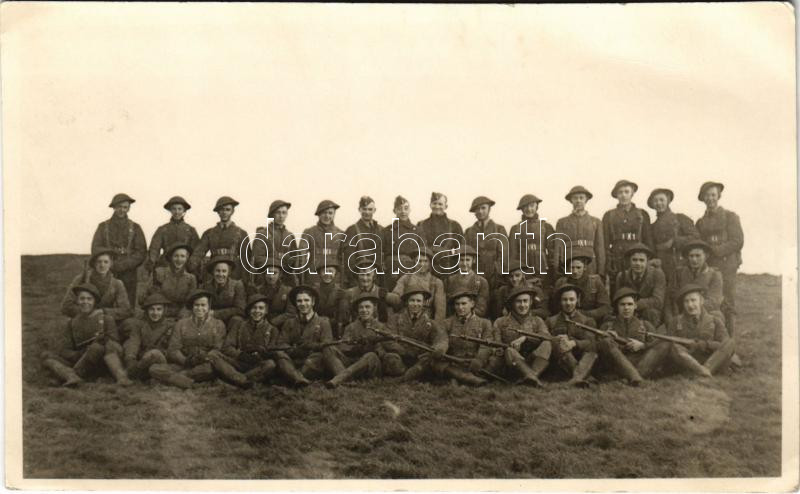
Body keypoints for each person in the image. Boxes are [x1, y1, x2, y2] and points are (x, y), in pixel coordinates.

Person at [150, 289, 250, 389]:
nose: (199, 308)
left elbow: (217, 349)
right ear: (192, 307)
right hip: (184, 364)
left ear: (209, 307)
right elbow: (173, 349)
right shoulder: (181, 324)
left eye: (203, 305)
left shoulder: (218, 325)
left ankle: (180, 379)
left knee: (211, 367)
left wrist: (203, 357)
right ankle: (188, 382)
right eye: (196, 305)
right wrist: (186, 361)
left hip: (206, 364)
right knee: (154, 368)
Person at [42, 283, 133, 387]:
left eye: (89, 299)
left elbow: (115, 345)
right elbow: (65, 350)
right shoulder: (72, 323)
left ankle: (65, 377)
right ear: (77, 301)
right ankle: (71, 376)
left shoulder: (106, 319)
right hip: (82, 361)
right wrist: (79, 353)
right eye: (82, 299)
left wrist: (104, 340)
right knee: (47, 357)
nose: (85, 302)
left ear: (94, 302)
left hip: (102, 362)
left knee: (97, 348)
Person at [695, 181, 744, 335]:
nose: (710, 198)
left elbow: (737, 241)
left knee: (728, 302)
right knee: (710, 301)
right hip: (709, 267)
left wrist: (716, 251)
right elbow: (699, 244)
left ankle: (730, 340)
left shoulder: (730, 217)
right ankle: (715, 337)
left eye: (713, 195)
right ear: (703, 199)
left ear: (718, 196)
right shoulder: (701, 222)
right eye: (706, 196)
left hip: (727, 266)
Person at [595, 288, 667, 385]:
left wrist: (642, 346)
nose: (626, 308)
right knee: (606, 342)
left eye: (630, 304)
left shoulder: (645, 325)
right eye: (622, 304)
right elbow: (596, 349)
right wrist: (610, 341)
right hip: (615, 367)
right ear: (617, 307)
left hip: (640, 365)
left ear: (635, 306)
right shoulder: (607, 326)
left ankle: (630, 377)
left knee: (665, 344)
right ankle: (634, 377)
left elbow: (655, 346)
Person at [272, 285, 341, 386]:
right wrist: (294, 350)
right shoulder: (289, 323)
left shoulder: (323, 322)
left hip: (312, 360)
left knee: (317, 358)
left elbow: (326, 345)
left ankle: (291, 376)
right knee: (279, 355)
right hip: (293, 359)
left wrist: (310, 346)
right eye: (299, 301)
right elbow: (281, 344)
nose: (303, 304)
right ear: (295, 303)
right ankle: (298, 378)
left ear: (313, 302)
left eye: (306, 300)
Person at [381, 279, 449, 382]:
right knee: (390, 358)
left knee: (429, 360)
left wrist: (439, 349)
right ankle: (410, 375)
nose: (415, 304)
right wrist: (404, 351)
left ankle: (404, 378)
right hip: (401, 357)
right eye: (412, 300)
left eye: (418, 301)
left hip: (420, 359)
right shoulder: (395, 319)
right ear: (407, 302)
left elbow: (441, 338)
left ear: (423, 303)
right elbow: (387, 339)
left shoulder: (430, 323)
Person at [661, 284, 736, 377]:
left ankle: (706, 370)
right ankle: (702, 371)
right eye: (686, 301)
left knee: (730, 343)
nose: (690, 305)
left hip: (710, 358)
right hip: (687, 360)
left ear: (701, 301)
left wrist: (705, 345)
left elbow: (724, 344)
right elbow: (670, 347)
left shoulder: (715, 320)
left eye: (693, 300)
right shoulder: (675, 321)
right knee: (674, 347)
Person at [91, 193, 147, 308]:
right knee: (104, 301)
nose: (122, 210)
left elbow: (141, 252)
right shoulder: (103, 226)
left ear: (129, 208)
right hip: (106, 270)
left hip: (129, 272)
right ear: (114, 207)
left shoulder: (136, 227)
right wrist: (110, 263)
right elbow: (95, 248)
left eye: (125, 207)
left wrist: (124, 265)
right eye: (119, 207)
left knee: (127, 304)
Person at [491, 285, 553, 386]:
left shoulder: (537, 320)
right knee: (510, 351)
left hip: (534, 361)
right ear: (512, 304)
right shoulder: (500, 322)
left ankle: (531, 376)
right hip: (513, 364)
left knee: (547, 344)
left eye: (525, 301)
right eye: (518, 301)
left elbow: (547, 336)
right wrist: (501, 348)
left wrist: (525, 338)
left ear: (531, 302)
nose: (523, 305)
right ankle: (533, 377)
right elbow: (496, 344)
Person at [325, 294, 387, 388]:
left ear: (373, 309)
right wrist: (355, 347)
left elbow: (383, 352)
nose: (364, 310)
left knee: (371, 356)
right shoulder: (351, 327)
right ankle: (348, 380)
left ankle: (340, 378)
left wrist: (372, 346)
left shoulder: (381, 327)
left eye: (367, 307)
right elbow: (343, 347)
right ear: (357, 310)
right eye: (361, 307)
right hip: (353, 362)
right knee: (328, 348)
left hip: (370, 366)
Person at [602, 180, 652, 294]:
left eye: (626, 191)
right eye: (620, 192)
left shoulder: (642, 214)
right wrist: (608, 261)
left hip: (637, 256)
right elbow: (605, 241)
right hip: (617, 257)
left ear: (632, 193)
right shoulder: (609, 215)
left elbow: (648, 240)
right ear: (616, 195)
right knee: (617, 287)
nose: (623, 195)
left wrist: (649, 260)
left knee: (639, 286)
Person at [220, 294, 281, 386]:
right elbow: (227, 347)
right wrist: (241, 355)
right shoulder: (239, 325)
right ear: (249, 310)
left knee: (270, 364)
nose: (257, 311)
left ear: (266, 311)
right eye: (254, 308)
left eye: (261, 308)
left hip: (257, 365)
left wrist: (260, 353)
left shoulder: (273, 330)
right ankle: (242, 379)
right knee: (214, 354)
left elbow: (272, 352)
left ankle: (237, 379)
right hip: (238, 362)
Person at [546, 284, 598, 387]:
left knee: (592, 352)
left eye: (572, 299)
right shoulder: (551, 321)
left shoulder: (587, 320)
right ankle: (582, 377)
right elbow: (546, 341)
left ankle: (577, 378)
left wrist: (574, 343)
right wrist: (557, 339)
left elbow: (591, 343)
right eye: (565, 300)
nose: (568, 303)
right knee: (560, 344)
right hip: (561, 362)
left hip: (582, 359)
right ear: (560, 301)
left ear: (577, 300)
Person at [440, 290, 496, 386]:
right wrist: (441, 348)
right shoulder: (447, 323)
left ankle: (460, 378)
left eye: (464, 303)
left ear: (472, 304)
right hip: (454, 361)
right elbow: (443, 340)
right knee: (436, 362)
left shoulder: (484, 323)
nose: (460, 307)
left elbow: (486, 345)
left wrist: (480, 359)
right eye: (457, 304)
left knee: (494, 361)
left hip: (474, 362)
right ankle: (465, 378)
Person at [61, 248, 132, 324]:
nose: (102, 265)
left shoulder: (117, 284)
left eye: (106, 262)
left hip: (107, 322)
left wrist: (102, 312)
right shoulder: (81, 279)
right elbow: (66, 306)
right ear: (94, 263)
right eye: (99, 262)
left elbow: (126, 310)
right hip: (83, 321)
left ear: (111, 264)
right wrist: (87, 312)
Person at [646, 188, 698, 289]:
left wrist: (675, 241)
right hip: (661, 267)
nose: (659, 203)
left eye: (661, 200)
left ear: (668, 200)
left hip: (681, 264)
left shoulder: (680, 218)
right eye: (655, 201)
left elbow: (695, 237)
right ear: (652, 204)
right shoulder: (652, 227)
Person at [191, 196, 249, 281]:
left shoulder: (241, 233)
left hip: (234, 274)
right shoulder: (209, 233)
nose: (224, 212)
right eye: (221, 210)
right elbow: (197, 254)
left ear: (232, 211)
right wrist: (191, 271)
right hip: (213, 273)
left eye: (227, 209)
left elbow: (246, 259)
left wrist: (245, 280)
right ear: (218, 212)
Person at [508, 194, 556, 291]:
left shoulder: (546, 227)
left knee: (543, 290)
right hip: (523, 265)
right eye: (525, 206)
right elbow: (513, 253)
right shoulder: (515, 228)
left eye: (532, 206)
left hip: (542, 264)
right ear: (521, 209)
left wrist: (553, 270)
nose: (529, 209)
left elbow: (552, 251)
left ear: (536, 207)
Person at [122, 293, 174, 382]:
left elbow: (171, 349)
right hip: (143, 359)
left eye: (159, 309)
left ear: (164, 310)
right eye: (152, 309)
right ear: (146, 311)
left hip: (161, 360)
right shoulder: (140, 325)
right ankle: (138, 372)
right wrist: (130, 358)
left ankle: (136, 372)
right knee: (127, 346)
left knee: (155, 354)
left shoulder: (170, 326)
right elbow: (134, 341)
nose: (155, 313)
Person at [555, 186, 605, 276]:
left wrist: (601, 271)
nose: (578, 200)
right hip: (569, 261)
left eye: (581, 198)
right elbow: (558, 247)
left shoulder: (595, 222)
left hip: (590, 261)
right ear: (571, 200)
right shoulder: (562, 222)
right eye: (575, 198)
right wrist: (557, 268)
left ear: (586, 200)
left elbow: (599, 248)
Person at [386, 247, 446, 322]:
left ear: (430, 263)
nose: (422, 264)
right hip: (406, 318)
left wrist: (436, 327)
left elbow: (440, 310)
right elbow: (397, 298)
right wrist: (385, 294)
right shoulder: (406, 278)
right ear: (414, 262)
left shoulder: (436, 282)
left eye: (425, 261)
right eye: (419, 261)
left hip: (426, 320)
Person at [141, 242, 197, 320]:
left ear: (187, 258)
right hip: (159, 314)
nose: (179, 259)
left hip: (180, 316)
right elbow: (148, 297)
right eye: (176, 256)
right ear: (171, 257)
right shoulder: (159, 273)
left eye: (182, 256)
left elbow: (190, 302)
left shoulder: (191, 278)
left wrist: (182, 315)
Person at [672, 240, 724, 322]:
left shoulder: (714, 275)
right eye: (691, 256)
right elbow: (672, 295)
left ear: (706, 256)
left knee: (717, 316)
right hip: (682, 312)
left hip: (704, 313)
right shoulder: (679, 273)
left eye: (698, 256)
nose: (694, 259)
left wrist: (693, 309)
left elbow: (714, 301)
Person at [614, 243, 666, 326]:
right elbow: (617, 300)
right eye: (634, 260)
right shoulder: (622, 276)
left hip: (649, 314)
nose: (638, 263)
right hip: (628, 312)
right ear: (629, 261)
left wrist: (634, 305)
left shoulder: (657, 274)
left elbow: (658, 301)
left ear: (647, 261)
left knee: (650, 313)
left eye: (642, 260)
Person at [145, 196, 200, 273]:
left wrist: (192, 265)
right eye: (174, 209)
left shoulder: (191, 230)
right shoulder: (162, 229)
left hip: (185, 265)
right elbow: (154, 248)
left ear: (184, 210)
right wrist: (152, 262)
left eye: (179, 209)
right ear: (170, 210)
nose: (177, 212)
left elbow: (196, 250)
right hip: (166, 265)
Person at [553, 251, 610, 325]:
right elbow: (554, 307)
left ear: (585, 267)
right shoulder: (561, 283)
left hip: (590, 322)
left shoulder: (595, 282)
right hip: (566, 321)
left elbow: (605, 308)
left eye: (578, 267)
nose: (575, 271)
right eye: (572, 268)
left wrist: (582, 314)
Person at [464, 196, 509, 289]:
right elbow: (465, 254)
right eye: (477, 209)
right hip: (475, 274)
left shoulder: (499, 229)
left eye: (483, 208)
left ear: (489, 209)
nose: (480, 211)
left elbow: (504, 255)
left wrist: (499, 272)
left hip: (495, 275)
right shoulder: (469, 231)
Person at [251, 200, 300, 286]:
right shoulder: (262, 234)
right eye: (278, 213)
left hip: (286, 278)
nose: (281, 216)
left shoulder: (290, 236)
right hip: (266, 277)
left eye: (284, 213)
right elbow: (258, 258)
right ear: (272, 214)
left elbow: (294, 258)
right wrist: (278, 262)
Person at [417, 192, 464, 278]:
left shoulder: (455, 225)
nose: (437, 206)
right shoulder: (421, 224)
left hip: (448, 267)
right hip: (426, 267)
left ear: (446, 206)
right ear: (430, 205)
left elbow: (462, 250)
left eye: (440, 204)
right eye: (434, 203)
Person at [382, 196, 422, 291]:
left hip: (410, 270)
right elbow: (379, 252)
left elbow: (423, 253)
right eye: (399, 209)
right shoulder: (386, 231)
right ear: (394, 210)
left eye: (406, 208)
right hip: (391, 271)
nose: (403, 212)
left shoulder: (417, 231)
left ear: (410, 210)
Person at [342, 196, 384, 288]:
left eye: (370, 209)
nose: (367, 212)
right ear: (359, 209)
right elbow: (349, 260)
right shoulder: (352, 230)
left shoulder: (380, 229)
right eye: (364, 209)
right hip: (360, 278)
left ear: (374, 210)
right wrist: (353, 281)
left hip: (377, 279)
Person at [302, 199, 345, 286]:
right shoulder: (309, 232)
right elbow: (302, 258)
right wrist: (302, 278)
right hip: (314, 276)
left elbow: (343, 260)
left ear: (334, 214)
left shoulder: (341, 234)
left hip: (334, 277)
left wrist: (342, 280)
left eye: (330, 213)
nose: (327, 216)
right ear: (319, 214)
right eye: (324, 213)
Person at [246, 257, 297, 329]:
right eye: (268, 273)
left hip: (280, 325)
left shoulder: (287, 291)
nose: (271, 277)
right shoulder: (257, 290)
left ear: (280, 274)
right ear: (264, 274)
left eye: (274, 273)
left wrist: (273, 322)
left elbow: (291, 313)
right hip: (261, 324)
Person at [339, 261, 392, 326]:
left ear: (374, 276)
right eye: (362, 275)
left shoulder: (380, 292)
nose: (365, 278)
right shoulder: (350, 293)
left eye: (368, 275)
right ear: (357, 276)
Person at [200, 256, 246, 329]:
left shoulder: (237, 285)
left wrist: (216, 313)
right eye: (217, 271)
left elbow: (240, 309)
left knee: (237, 320)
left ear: (228, 273)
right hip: (210, 319)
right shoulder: (205, 286)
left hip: (230, 320)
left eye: (224, 271)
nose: (221, 274)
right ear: (213, 272)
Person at [444, 246, 490, 318]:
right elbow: (448, 306)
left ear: (473, 260)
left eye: (467, 260)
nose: (464, 263)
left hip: (474, 320)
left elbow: (481, 309)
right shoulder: (450, 281)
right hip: (454, 321)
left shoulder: (481, 282)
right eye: (461, 260)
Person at [313, 259, 346, 338]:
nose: (327, 274)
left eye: (330, 271)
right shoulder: (313, 291)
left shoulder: (340, 293)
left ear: (335, 274)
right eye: (324, 271)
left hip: (333, 328)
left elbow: (342, 317)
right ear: (320, 274)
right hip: (315, 326)